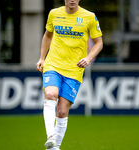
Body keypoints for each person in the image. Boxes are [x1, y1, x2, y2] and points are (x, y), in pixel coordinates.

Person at [36, 0, 103, 149]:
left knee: (61, 111)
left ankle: (54, 147)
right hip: (53, 64)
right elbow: (47, 36)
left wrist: (88, 58)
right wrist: (42, 58)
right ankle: (50, 136)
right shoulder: (54, 14)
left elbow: (99, 43)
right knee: (51, 95)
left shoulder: (89, 17)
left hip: (74, 70)